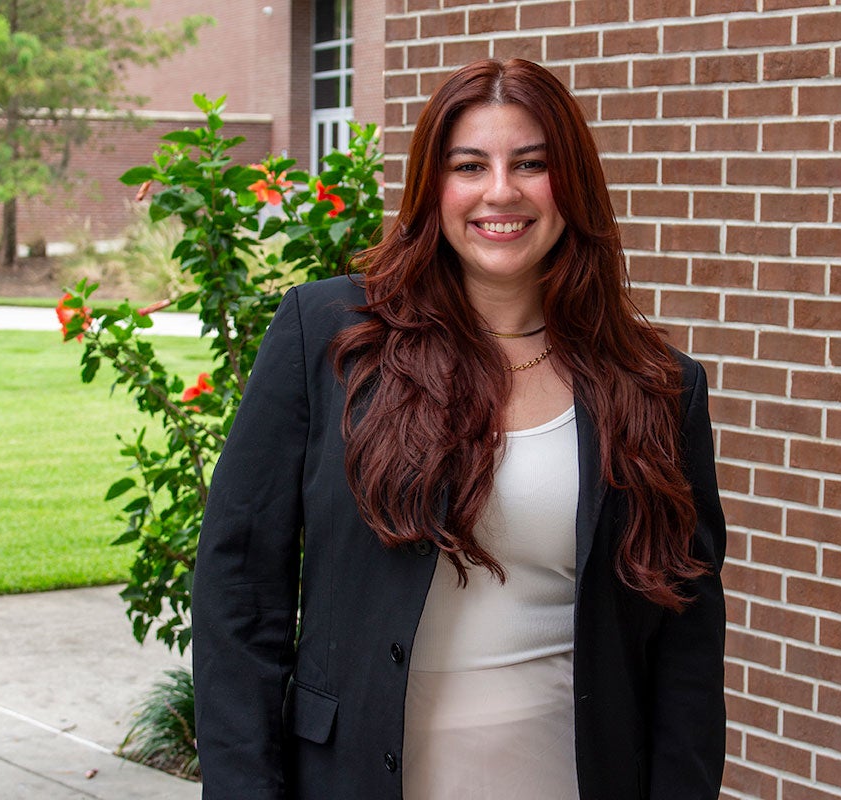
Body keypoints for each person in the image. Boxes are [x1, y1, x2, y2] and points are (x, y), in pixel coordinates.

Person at [192, 58, 728, 800]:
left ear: (571, 183)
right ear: (431, 187)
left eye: (532, 164)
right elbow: (238, 593)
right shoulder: (328, 338)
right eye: (469, 165)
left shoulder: (657, 387)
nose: (500, 191)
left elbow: (687, 645)